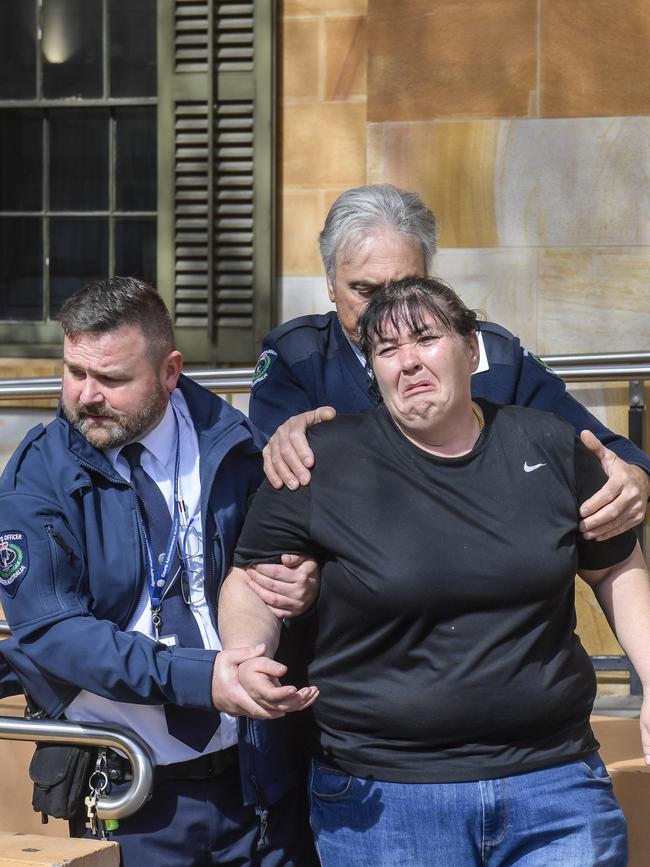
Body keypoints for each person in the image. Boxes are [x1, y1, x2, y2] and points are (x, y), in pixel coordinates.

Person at [219, 276, 650, 867]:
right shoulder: (318, 462)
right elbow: (253, 579)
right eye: (387, 350)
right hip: (384, 800)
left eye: (425, 338)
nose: (408, 362)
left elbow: (616, 565)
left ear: (472, 350)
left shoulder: (551, 445)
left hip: (554, 784)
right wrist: (245, 655)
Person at [0, 278, 319, 866]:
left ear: (171, 371)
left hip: (258, 784)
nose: (86, 396)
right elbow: (52, 632)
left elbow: (279, 559)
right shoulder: (36, 477)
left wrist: (303, 582)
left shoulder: (236, 446)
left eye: (112, 379)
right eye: (75, 371)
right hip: (129, 788)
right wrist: (200, 679)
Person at [249, 184, 650, 546]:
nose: (389, 313)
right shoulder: (295, 357)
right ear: (331, 285)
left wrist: (633, 481)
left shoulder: (493, 355)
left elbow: (606, 449)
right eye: (366, 290)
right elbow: (270, 500)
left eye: (407, 288)